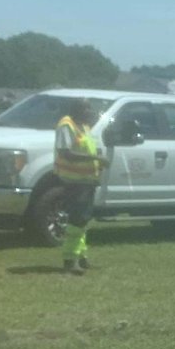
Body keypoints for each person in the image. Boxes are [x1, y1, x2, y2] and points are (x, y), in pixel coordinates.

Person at [54, 98, 107, 275]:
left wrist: (96, 165)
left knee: (83, 220)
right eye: (86, 108)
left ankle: (81, 258)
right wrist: (95, 159)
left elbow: (87, 149)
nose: (89, 111)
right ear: (76, 109)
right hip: (74, 181)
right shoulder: (66, 125)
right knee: (76, 220)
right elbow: (66, 153)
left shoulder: (84, 126)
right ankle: (70, 260)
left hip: (87, 180)